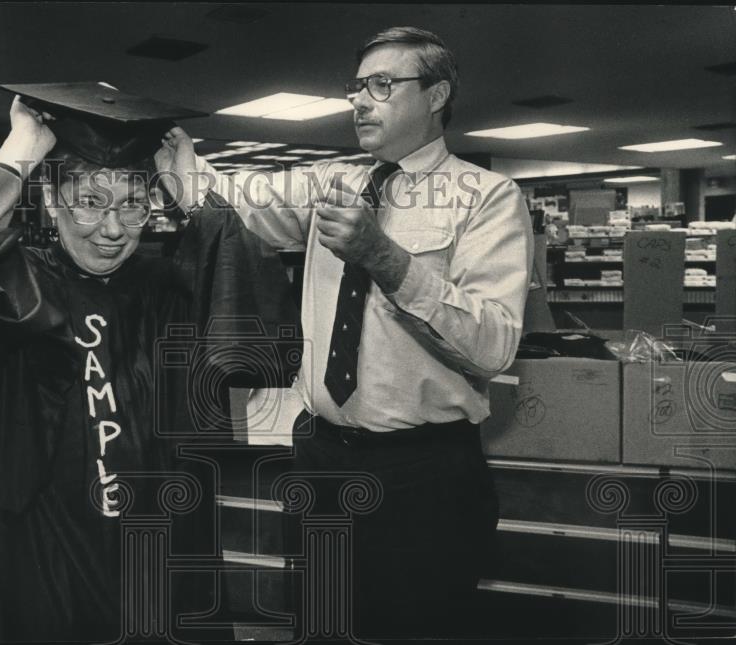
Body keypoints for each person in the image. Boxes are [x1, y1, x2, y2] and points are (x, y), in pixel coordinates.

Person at [156, 26, 533, 640]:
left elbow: (492, 345)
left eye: (382, 85)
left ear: (436, 95)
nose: (359, 100)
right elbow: (231, 204)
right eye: (356, 86)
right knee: (319, 622)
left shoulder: (488, 197)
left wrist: (384, 257)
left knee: (417, 626)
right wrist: (179, 162)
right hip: (322, 459)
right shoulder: (334, 180)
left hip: (423, 474)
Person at [0, 84, 251, 643]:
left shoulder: (167, 290)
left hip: (161, 543)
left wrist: (192, 188)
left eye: (132, 204)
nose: (112, 230)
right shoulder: (15, 289)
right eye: (90, 202)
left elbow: (243, 293)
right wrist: (24, 145)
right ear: (54, 201)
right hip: (51, 549)